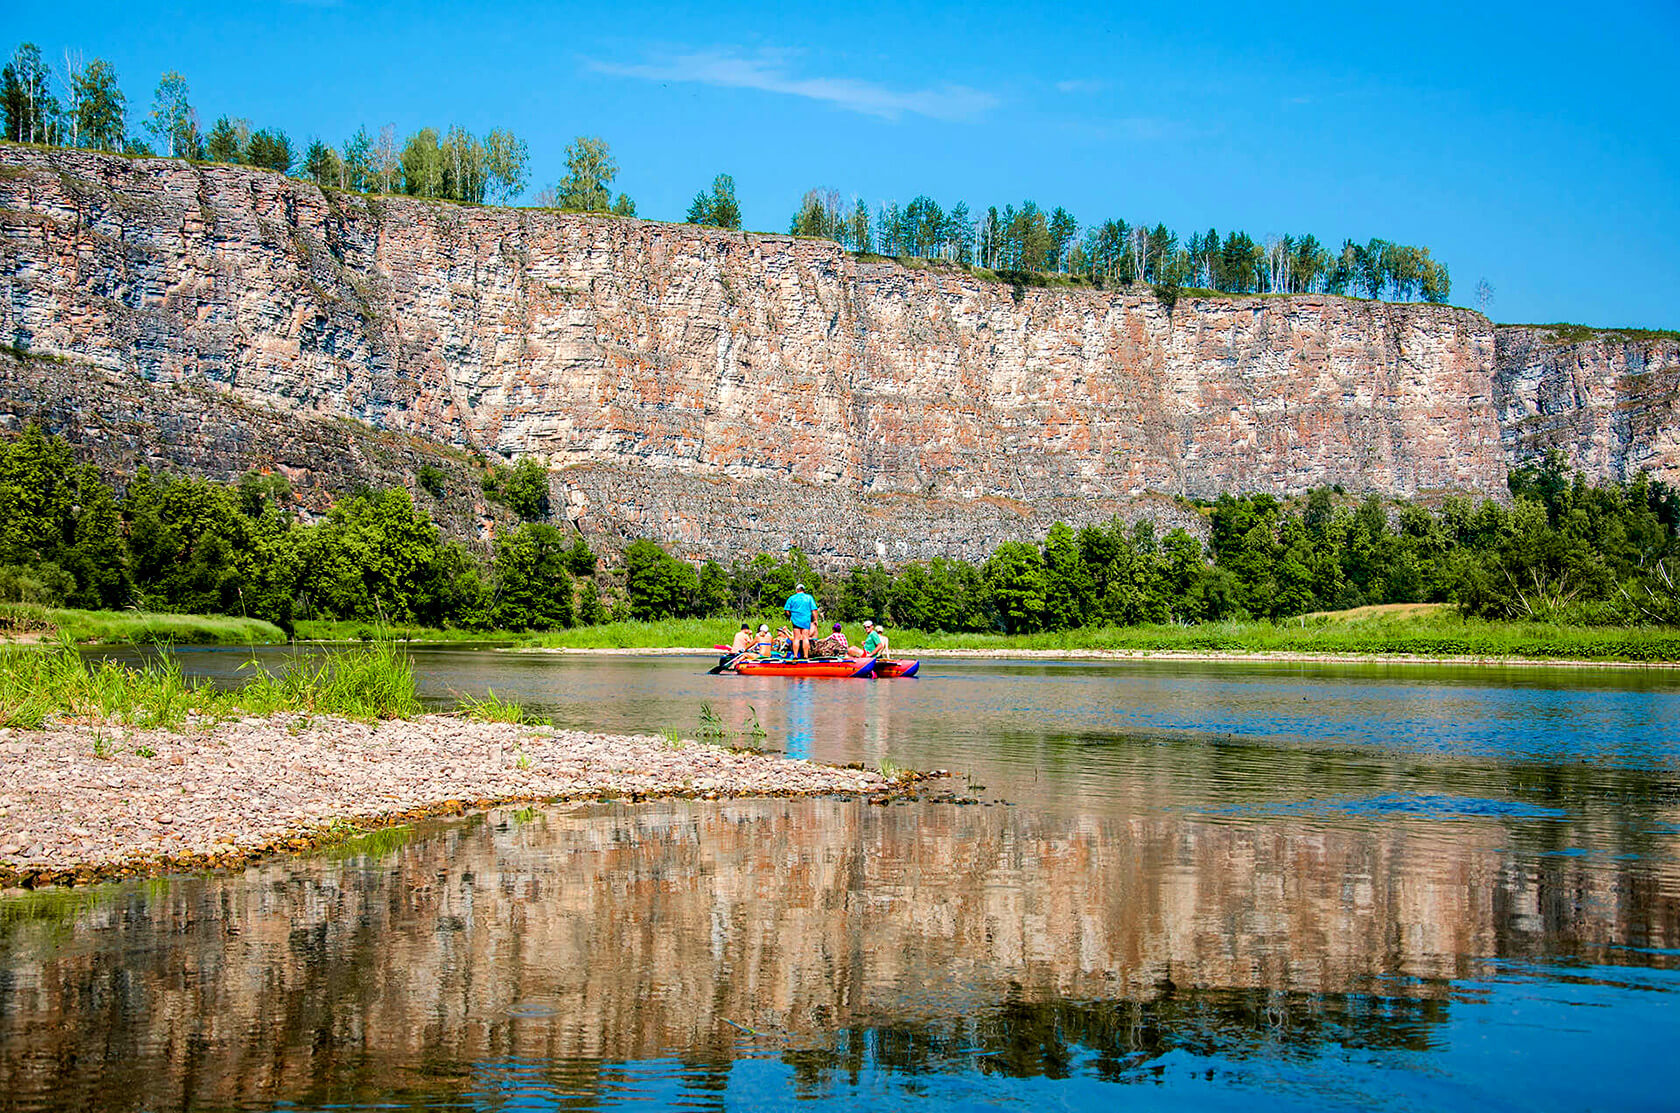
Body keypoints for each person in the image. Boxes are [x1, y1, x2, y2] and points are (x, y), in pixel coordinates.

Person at [784, 581, 817, 660]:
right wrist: (815, 620)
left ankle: (795, 656)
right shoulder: (809, 597)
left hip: (795, 620)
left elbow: (786, 610)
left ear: (796, 590)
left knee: (796, 638)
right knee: (806, 638)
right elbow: (814, 610)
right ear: (804, 590)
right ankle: (806, 656)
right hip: (806, 620)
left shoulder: (792, 598)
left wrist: (790, 616)